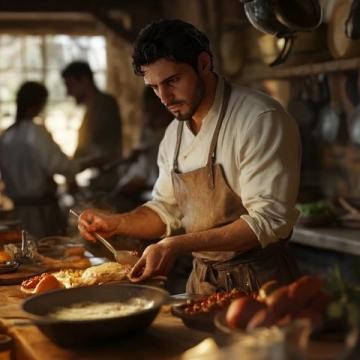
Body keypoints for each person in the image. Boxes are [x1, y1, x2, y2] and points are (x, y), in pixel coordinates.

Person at [78, 19, 301, 295]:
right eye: (154, 86)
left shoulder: (258, 119)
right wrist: (117, 223)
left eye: (172, 80)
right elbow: (165, 210)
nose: (165, 97)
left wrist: (176, 245)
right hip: (203, 285)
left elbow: (267, 222)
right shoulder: (174, 133)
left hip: (260, 285)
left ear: (204, 63)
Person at [0, 81, 96, 238]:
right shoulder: (35, 133)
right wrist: (91, 161)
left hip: (17, 214)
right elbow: (63, 166)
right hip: (41, 214)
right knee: (45, 254)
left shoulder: (7, 135)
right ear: (36, 105)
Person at [61, 61, 123, 192]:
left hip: (107, 184)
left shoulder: (105, 105)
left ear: (84, 80)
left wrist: (72, 170)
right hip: (99, 183)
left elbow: (100, 150)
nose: (68, 92)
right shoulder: (92, 108)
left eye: (70, 85)